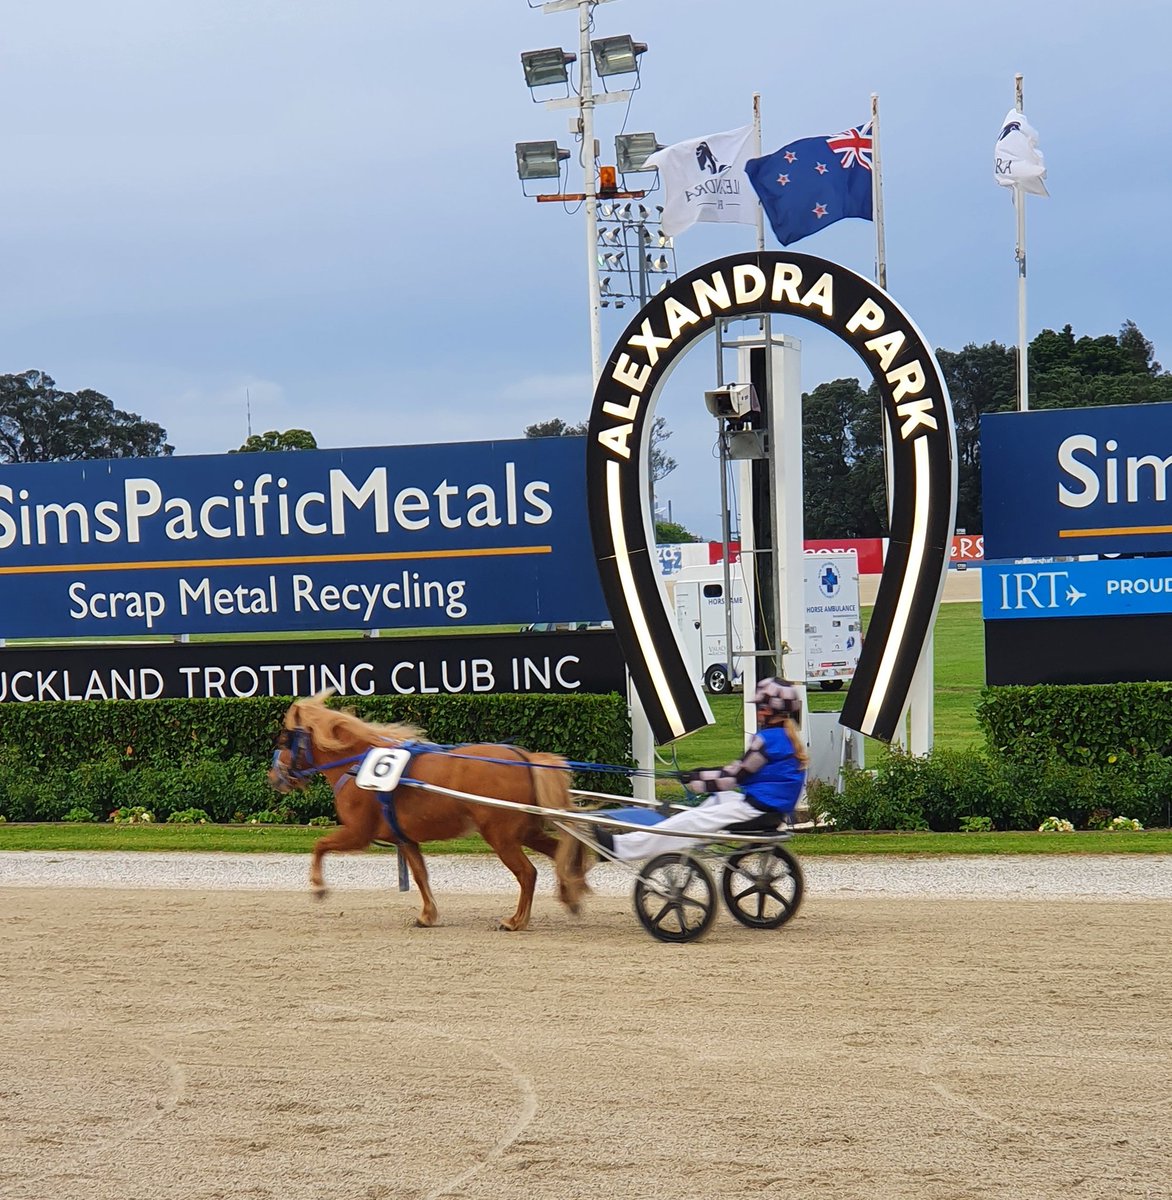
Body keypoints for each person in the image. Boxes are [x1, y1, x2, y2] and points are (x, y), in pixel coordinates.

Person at [598, 677, 809, 862]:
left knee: (687, 821)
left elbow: (733, 777)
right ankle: (689, 828)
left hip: (757, 809)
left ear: (767, 710)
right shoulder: (786, 739)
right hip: (770, 809)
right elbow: (739, 772)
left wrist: (696, 779)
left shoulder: (766, 741)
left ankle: (620, 847)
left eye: (759, 708)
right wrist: (701, 774)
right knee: (717, 800)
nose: (757, 713)